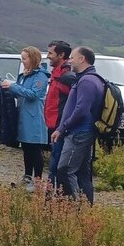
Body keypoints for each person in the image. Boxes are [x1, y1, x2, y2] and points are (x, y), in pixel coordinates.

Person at [51, 46, 104, 204]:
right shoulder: (89, 78)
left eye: (73, 57)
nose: (69, 60)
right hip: (82, 132)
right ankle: (85, 212)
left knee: (65, 169)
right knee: (82, 172)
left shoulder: (87, 81)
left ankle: (74, 210)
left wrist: (62, 128)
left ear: (82, 59)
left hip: (79, 133)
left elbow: (81, 110)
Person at [0, 46, 50, 192]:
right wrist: (8, 89)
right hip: (23, 116)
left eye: (24, 58)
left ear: (32, 59)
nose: (22, 61)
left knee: (35, 149)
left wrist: (13, 87)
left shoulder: (40, 76)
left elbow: (33, 94)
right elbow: (21, 93)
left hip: (34, 117)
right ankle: (27, 176)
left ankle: (38, 180)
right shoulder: (24, 75)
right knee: (26, 148)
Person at [45, 41, 76, 191]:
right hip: (53, 125)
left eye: (51, 53)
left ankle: (52, 200)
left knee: (56, 166)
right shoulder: (57, 74)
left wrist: (63, 126)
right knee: (54, 164)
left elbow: (73, 103)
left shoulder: (66, 77)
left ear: (61, 54)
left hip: (60, 128)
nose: (48, 56)